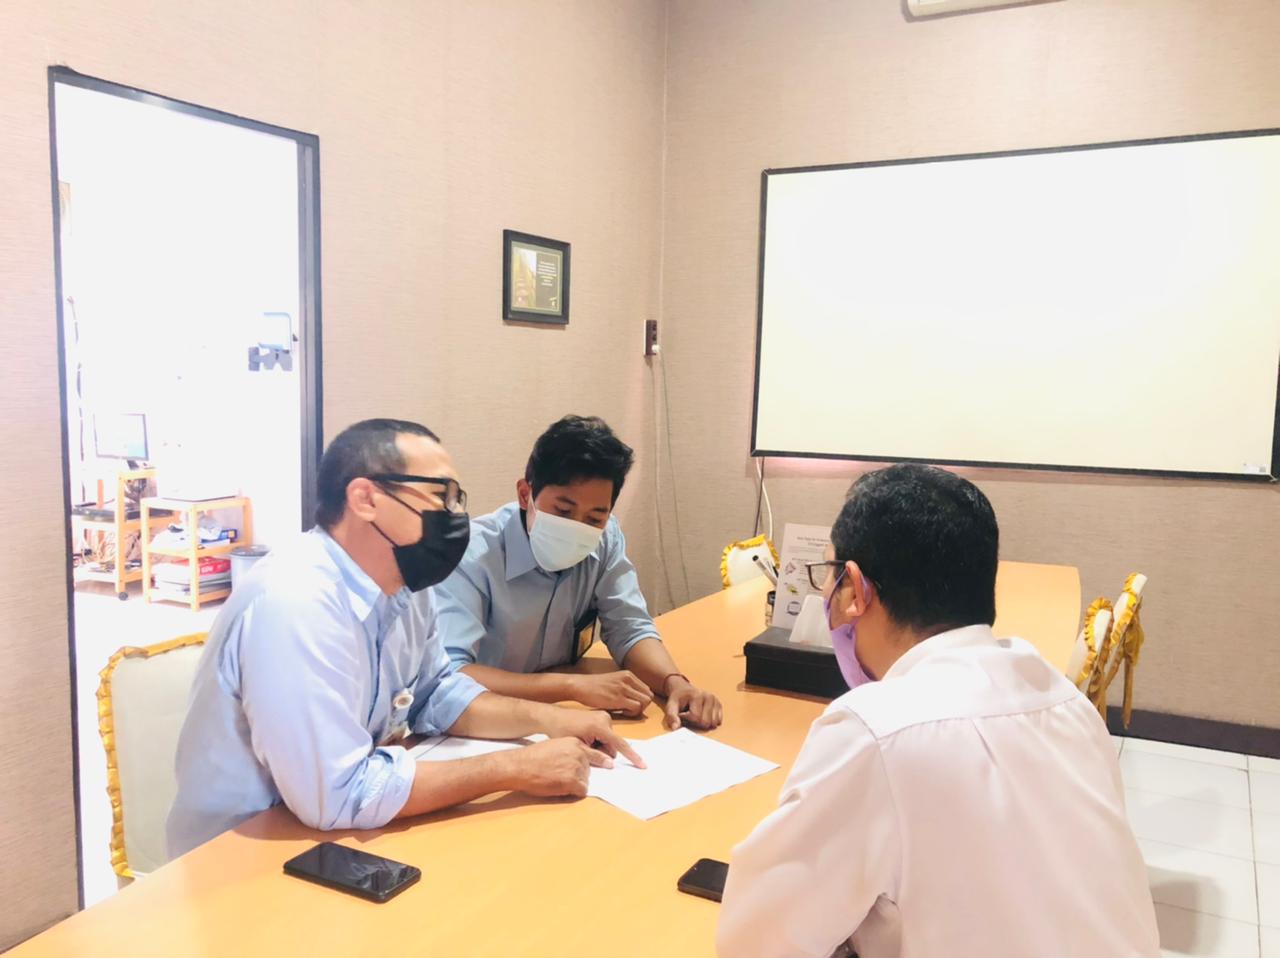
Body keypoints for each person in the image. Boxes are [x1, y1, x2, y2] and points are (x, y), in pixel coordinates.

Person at [716, 464, 1158, 957]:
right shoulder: (1065, 701)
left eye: (829, 576)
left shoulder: (875, 731)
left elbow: (754, 943)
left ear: (855, 589)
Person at [167, 418, 641, 859]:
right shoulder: (295, 603)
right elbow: (340, 794)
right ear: (365, 499)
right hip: (245, 854)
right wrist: (514, 768)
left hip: (333, 835)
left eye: (457, 499)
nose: (455, 516)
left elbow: (439, 693)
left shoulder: (405, 585)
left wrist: (549, 720)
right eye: (440, 497)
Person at [434, 415, 723, 730]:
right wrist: (571, 686)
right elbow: (451, 673)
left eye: (595, 518)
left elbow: (629, 628)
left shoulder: (606, 537)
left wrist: (674, 683)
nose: (577, 527)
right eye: (563, 511)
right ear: (525, 494)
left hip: (566, 720)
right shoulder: (471, 555)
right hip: (479, 722)